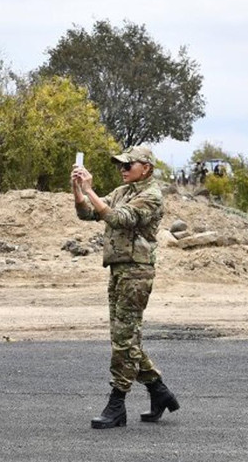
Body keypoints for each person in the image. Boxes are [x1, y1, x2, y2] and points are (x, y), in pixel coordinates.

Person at [70, 146, 180, 429]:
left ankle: (117, 403)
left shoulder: (151, 195)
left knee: (123, 339)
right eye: (121, 165)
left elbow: (120, 218)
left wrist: (91, 190)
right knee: (125, 338)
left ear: (146, 167)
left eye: (128, 165)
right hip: (119, 270)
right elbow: (88, 213)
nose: (122, 169)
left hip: (137, 272)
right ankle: (158, 391)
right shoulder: (123, 191)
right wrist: (79, 191)